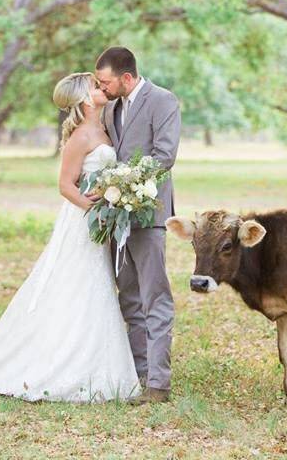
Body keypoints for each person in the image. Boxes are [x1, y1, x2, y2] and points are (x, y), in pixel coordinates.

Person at [0, 72, 139, 403]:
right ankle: (62, 363)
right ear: (82, 98)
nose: (101, 88)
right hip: (82, 221)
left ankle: (97, 361)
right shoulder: (80, 137)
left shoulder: (103, 126)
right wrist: (91, 206)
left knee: (96, 284)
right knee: (79, 284)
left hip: (100, 218)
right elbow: (66, 185)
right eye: (95, 86)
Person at [94, 47, 181, 404]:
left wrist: (126, 187)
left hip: (148, 214)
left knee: (154, 298)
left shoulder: (162, 101)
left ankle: (159, 384)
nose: (103, 88)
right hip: (117, 218)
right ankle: (139, 374)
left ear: (126, 78)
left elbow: (164, 156)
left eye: (106, 81)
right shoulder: (111, 108)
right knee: (128, 297)